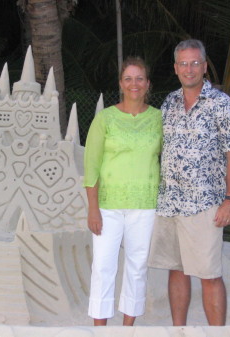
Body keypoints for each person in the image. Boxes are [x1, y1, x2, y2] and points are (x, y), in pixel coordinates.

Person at [148, 39, 230, 326]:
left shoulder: (222, 105)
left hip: (204, 204)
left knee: (210, 274)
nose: (189, 69)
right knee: (176, 271)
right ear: (176, 68)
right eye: (183, 64)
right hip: (170, 203)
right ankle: (179, 331)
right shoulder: (169, 102)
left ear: (204, 66)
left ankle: (217, 334)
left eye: (194, 63)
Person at [83, 56, 162, 326]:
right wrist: (93, 208)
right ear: (121, 83)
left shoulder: (158, 119)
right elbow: (91, 166)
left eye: (139, 78)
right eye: (128, 78)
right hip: (107, 206)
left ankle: (127, 329)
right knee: (103, 267)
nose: (134, 84)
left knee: (137, 267)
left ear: (148, 83)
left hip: (145, 204)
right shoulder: (105, 119)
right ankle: (100, 330)